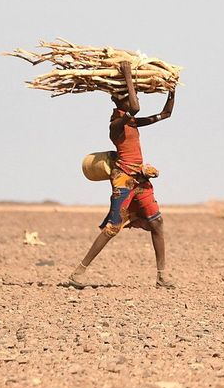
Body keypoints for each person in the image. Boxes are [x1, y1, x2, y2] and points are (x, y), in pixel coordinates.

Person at [67, 61, 176, 289]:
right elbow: (134, 107)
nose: (133, 99)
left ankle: (162, 276)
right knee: (112, 228)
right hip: (124, 180)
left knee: (157, 223)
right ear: (119, 100)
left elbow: (166, 114)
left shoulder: (133, 122)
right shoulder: (116, 124)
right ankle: (78, 273)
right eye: (127, 96)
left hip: (140, 179)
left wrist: (171, 89)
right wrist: (128, 75)